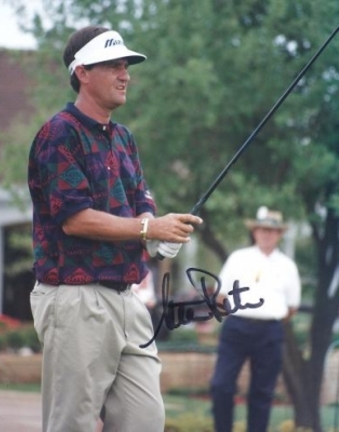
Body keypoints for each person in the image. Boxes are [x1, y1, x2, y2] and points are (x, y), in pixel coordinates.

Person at [27, 25, 202, 432]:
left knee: (145, 419)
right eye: (113, 66)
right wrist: (147, 230)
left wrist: (160, 237)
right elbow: (75, 219)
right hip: (74, 300)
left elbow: (142, 203)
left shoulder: (124, 138)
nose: (125, 75)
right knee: (72, 423)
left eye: (126, 66)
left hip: (127, 299)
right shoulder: (59, 133)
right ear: (82, 72)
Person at [210, 206, 301, 432]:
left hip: (269, 331)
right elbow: (220, 295)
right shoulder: (238, 258)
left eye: (272, 231)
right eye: (262, 230)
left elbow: (291, 308)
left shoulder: (288, 266)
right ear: (255, 232)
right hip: (237, 327)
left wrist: (268, 316)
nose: (266, 234)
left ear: (279, 234)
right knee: (221, 385)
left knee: (262, 392)